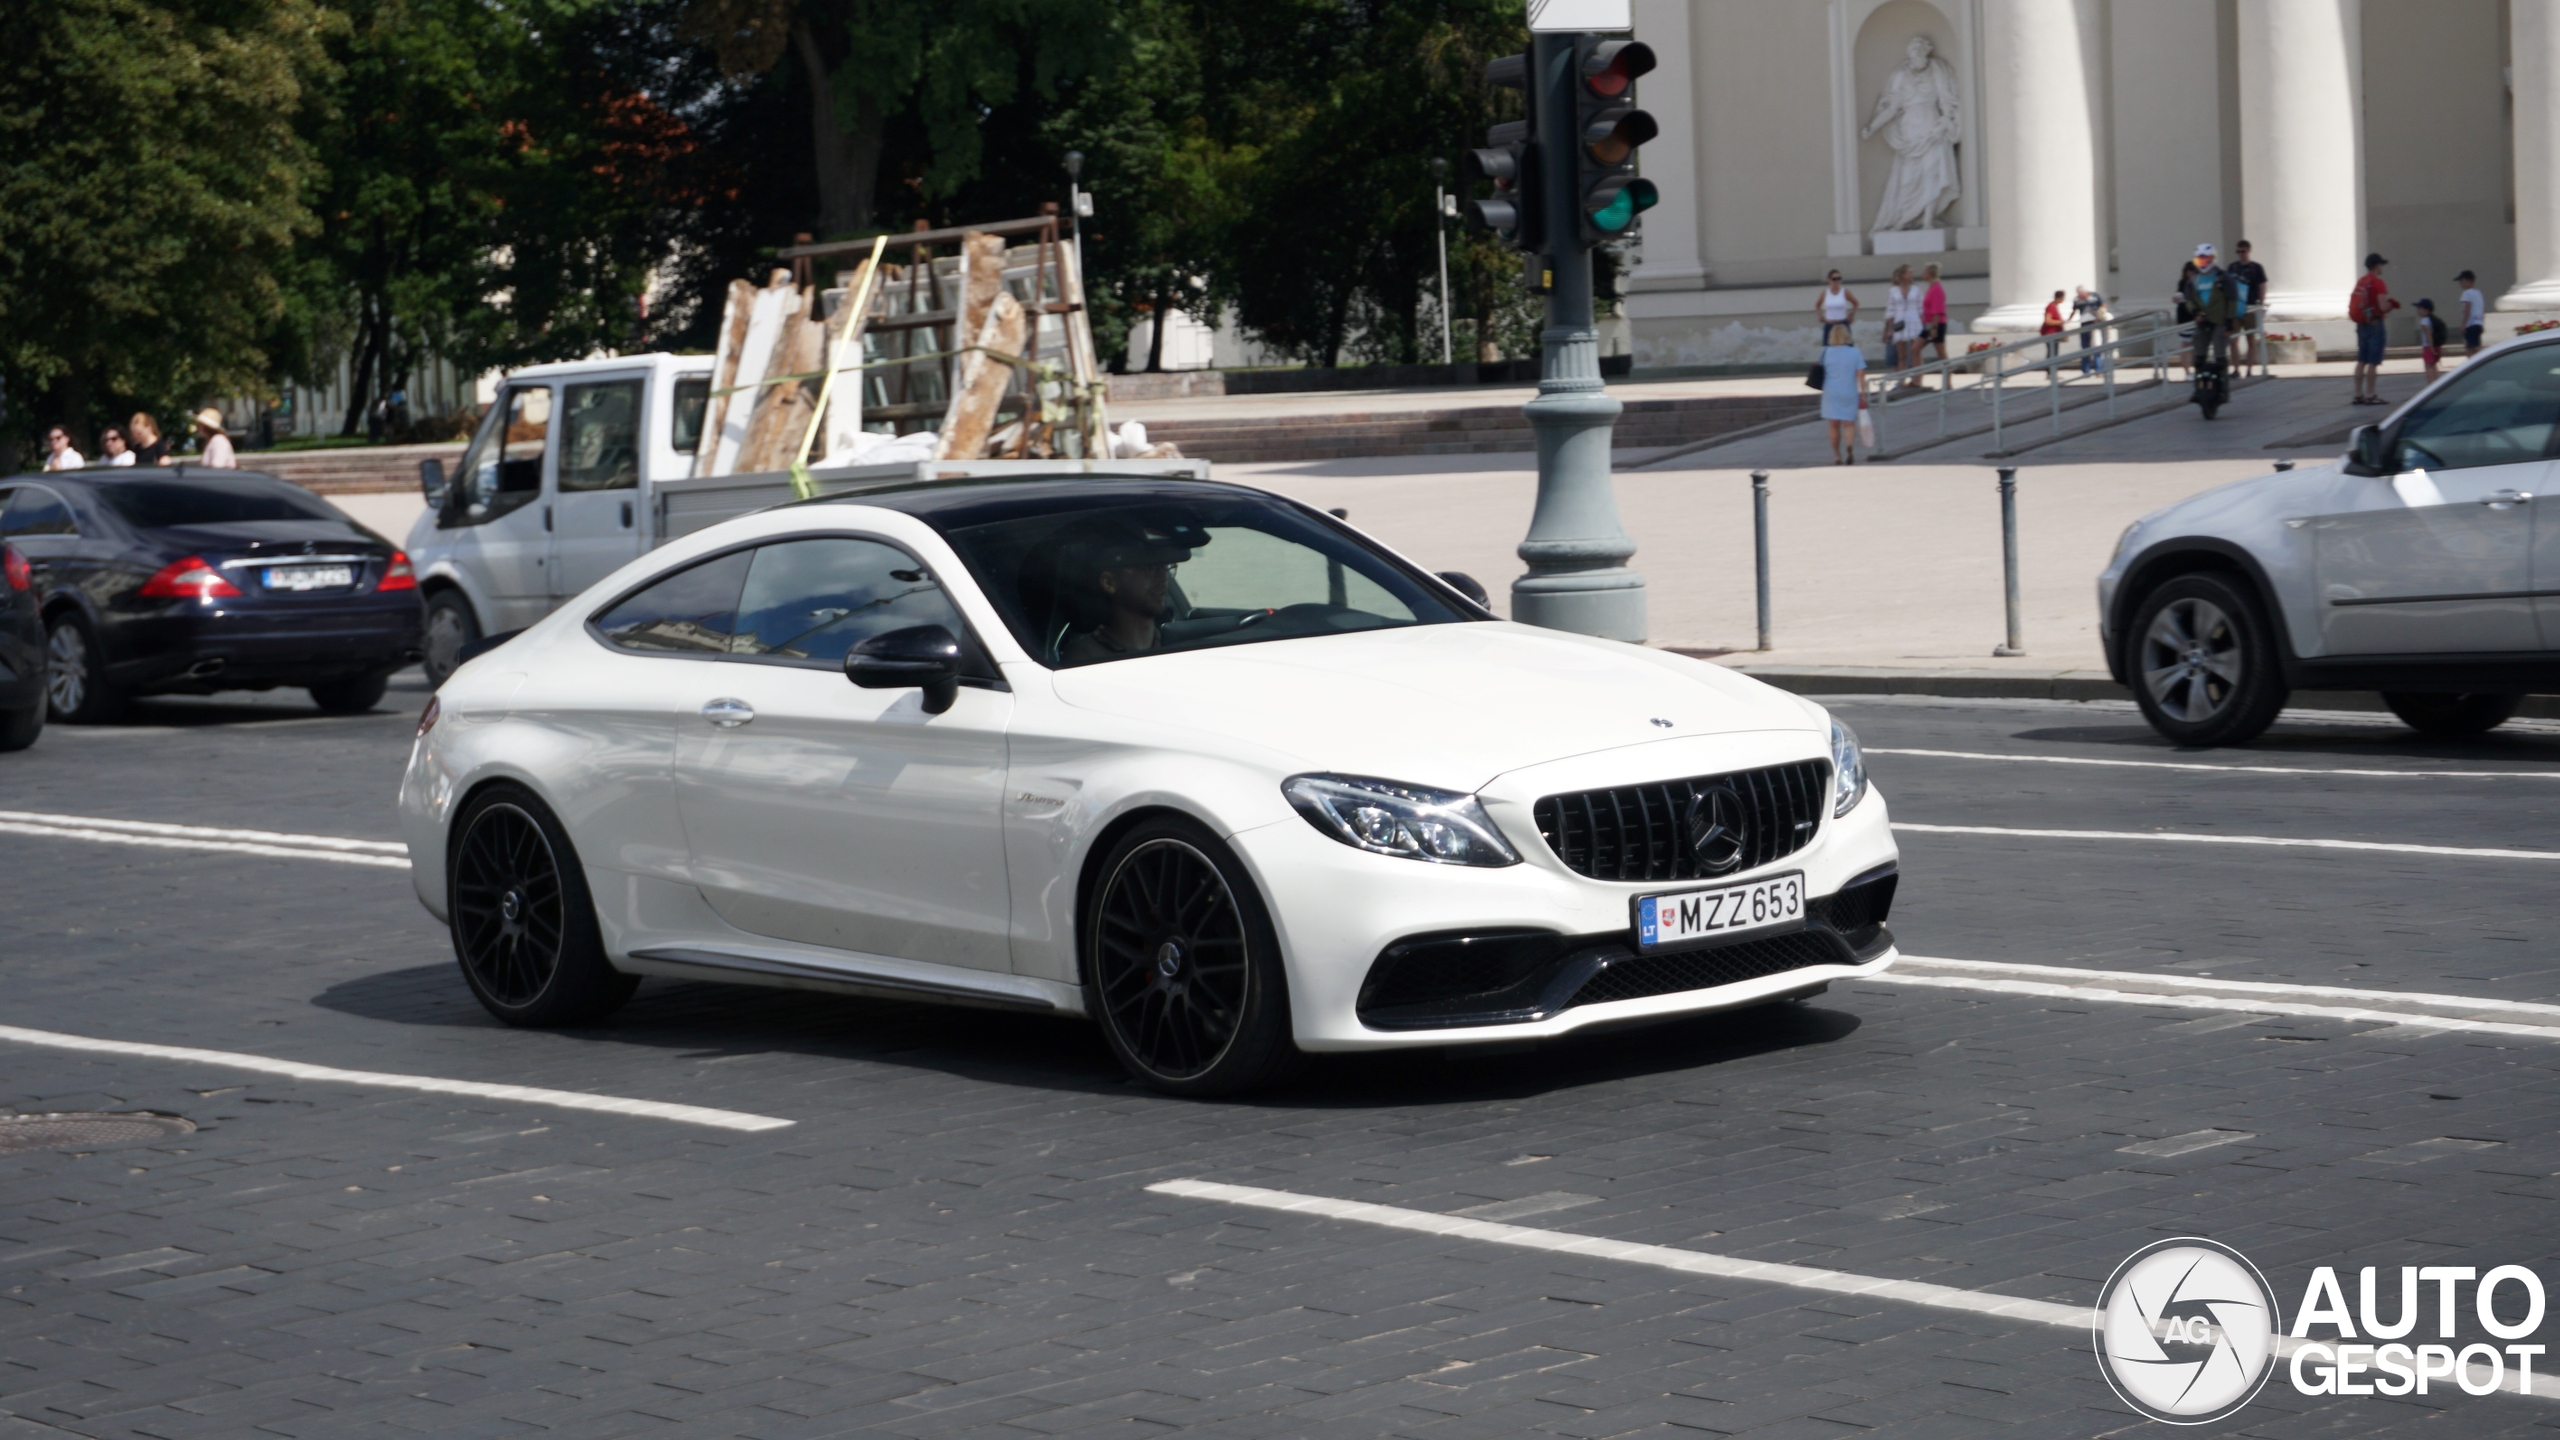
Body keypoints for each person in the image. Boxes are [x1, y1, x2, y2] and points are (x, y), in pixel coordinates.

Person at [1058, 524, 1201, 662]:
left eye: (1165, 567)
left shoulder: (1177, 645)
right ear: (1109, 583)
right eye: (1149, 568)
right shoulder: (1085, 657)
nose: (1163, 578)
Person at [2180, 244, 2242, 404]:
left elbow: (2232, 299)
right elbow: (2189, 299)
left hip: (2220, 321)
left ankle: (2223, 389)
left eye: (2205, 259)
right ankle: (2198, 389)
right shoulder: (2193, 280)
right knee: (2199, 358)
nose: (2203, 263)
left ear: (2213, 258)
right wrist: (2195, 312)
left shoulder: (2222, 277)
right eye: (2199, 259)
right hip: (2203, 321)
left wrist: (2229, 322)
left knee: (2220, 357)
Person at [2349, 252, 2399, 406]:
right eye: (2381, 264)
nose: (2382, 267)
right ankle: (2370, 394)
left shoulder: (2361, 281)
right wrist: (2392, 305)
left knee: (2361, 360)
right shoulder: (2378, 283)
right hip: (2375, 324)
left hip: (2362, 323)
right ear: (2377, 266)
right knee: (2373, 362)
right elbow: (2382, 306)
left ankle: (2358, 394)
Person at [1819, 321, 1867, 464]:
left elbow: (1820, 371)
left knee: (1833, 424)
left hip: (1830, 391)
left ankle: (1836, 455)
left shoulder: (1826, 352)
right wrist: (1863, 393)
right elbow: (1861, 375)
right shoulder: (1855, 352)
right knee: (1849, 423)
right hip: (1849, 391)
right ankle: (1850, 446)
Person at [2228, 240, 2269, 368]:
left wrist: (2260, 305)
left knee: (2250, 339)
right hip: (2235, 308)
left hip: (2250, 307)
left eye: (2243, 251)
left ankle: (2249, 369)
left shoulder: (2256, 268)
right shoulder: (2232, 267)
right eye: (2238, 251)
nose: (2240, 254)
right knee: (2233, 340)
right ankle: (2236, 369)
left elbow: (2262, 286)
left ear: (2249, 251)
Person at [1884, 264, 1920, 387]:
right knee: (1901, 354)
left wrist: (1923, 321)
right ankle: (1901, 380)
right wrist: (1889, 328)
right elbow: (1891, 309)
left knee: (1915, 351)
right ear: (1903, 275)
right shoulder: (1893, 290)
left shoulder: (1916, 289)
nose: (1911, 274)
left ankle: (1916, 379)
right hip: (1900, 322)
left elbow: (1921, 307)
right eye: (1909, 272)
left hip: (1914, 320)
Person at [1919, 262, 1951, 384]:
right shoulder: (1931, 288)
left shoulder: (1937, 289)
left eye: (1924, 272)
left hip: (1936, 324)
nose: (1922, 274)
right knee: (1915, 348)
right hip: (1928, 323)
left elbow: (1937, 311)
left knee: (1941, 353)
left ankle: (1948, 380)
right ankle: (1918, 377)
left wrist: (1934, 328)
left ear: (1929, 274)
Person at [2070, 285, 2106, 374]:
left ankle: (2099, 370)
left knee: (2096, 348)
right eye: (2078, 295)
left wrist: (2099, 315)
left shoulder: (2095, 296)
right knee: (2085, 349)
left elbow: (2103, 305)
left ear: (2085, 293)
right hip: (2084, 325)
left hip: (2095, 325)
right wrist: (2069, 319)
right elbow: (2074, 310)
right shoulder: (2077, 300)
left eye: (2081, 295)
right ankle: (2086, 370)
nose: (2080, 297)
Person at [2414, 298, 2447, 380]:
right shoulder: (2433, 319)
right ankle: (2437, 383)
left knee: (2428, 366)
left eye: (2419, 308)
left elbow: (2428, 334)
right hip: (2436, 345)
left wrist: (2431, 347)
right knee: (2434, 365)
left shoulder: (2424, 321)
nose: (2418, 311)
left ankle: (2430, 384)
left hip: (2428, 346)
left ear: (2426, 309)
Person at [2457, 270, 2487, 355]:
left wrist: (2463, 324)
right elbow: (2483, 309)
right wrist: (2482, 323)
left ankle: (2481, 361)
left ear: (2468, 280)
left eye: (2462, 281)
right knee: (2473, 347)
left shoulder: (2466, 293)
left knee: (2472, 348)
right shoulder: (2478, 292)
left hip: (2470, 324)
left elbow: (2467, 308)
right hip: (2478, 323)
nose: (2460, 283)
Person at [2039, 289, 2066, 364]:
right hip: (2050, 333)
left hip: (2055, 333)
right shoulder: (2051, 306)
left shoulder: (2055, 306)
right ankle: (2050, 372)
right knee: (2052, 353)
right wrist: (2060, 322)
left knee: (2054, 353)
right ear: (2059, 298)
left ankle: (2052, 372)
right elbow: (2048, 321)